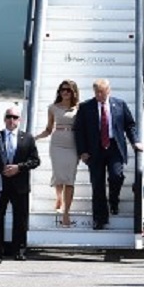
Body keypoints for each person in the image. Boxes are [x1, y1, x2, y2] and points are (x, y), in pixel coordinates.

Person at [73, 79, 143, 230]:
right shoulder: (86, 107)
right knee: (97, 184)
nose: (100, 95)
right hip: (94, 149)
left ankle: (114, 200)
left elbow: (130, 125)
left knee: (116, 176)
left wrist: (135, 141)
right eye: (97, 92)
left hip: (114, 147)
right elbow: (79, 130)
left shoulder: (120, 104)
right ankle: (100, 218)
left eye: (102, 92)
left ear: (108, 91)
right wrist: (82, 151)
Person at [0, 107, 40, 260]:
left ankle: (19, 250)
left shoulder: (27, 138)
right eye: (9, 117)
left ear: (19, 120)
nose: (11, 120)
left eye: (15, 117)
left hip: (20, 183)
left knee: (20, 218)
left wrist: (18, 167)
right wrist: (1, 169)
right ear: (4, 118)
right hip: (1, 182)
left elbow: (35, 160)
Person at [34, 80, 81, 227]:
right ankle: (59, 197)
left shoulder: (79, 108)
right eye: (62, 90)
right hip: (57, 144)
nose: (64, 92)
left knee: (70, 178)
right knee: (59, 175)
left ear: (73, 91)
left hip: (73, 144)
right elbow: (49, 129)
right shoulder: (53, 108)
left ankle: (66, 212)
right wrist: (35, 137)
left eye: (67, 90)